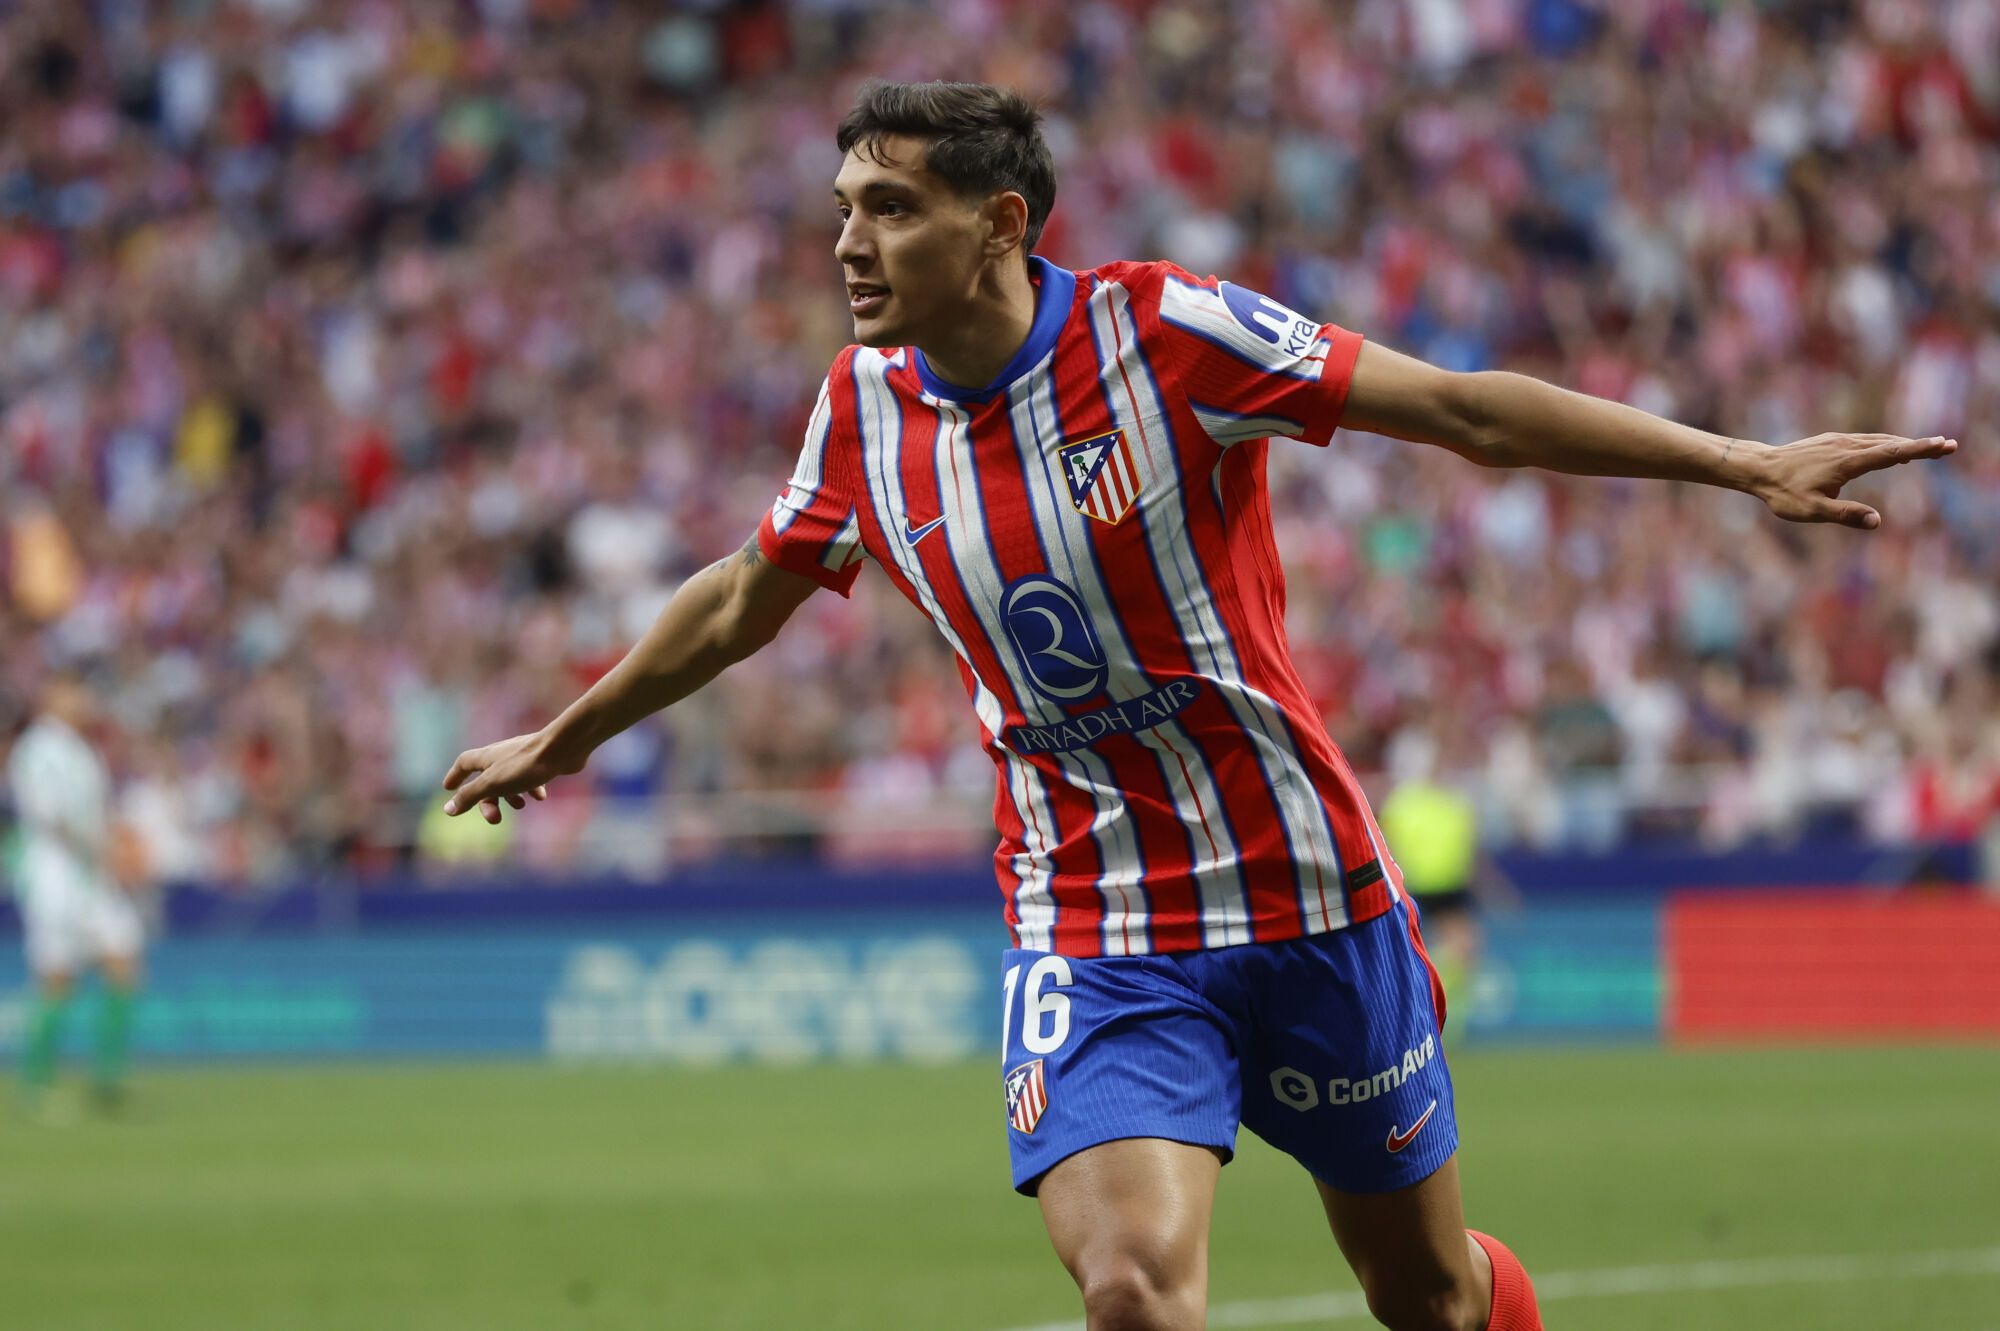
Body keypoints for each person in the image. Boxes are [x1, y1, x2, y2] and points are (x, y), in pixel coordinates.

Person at [439, 81, 1955, 1331]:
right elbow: (740, 597)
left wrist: (1740, 460)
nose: (847, 241)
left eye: (889, 208)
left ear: (1000, 224)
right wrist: (563, 736)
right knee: (1131, 1290)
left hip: (1305, 891)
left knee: (1428, 1295)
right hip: (1096, 917)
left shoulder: (1165, 335)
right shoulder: (859, 411)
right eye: (842, 207)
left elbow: (1464, 410)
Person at [8, 672, 144, 1117]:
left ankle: (107, 1076)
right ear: (52, 697)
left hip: (91, 877)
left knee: (123, 957)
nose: (83, 699)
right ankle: (37, 1082)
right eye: (74, 691)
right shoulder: (39, 748)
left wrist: (109, 850)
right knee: (57, 979)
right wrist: (102, 849)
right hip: (58, 876)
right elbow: (51, 815)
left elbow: (94, 811)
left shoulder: (81, 748)